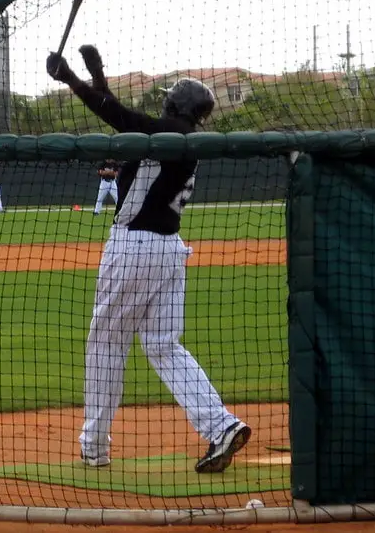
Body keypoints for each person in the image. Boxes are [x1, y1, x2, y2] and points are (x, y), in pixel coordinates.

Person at [46, 44, 249, 474]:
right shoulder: (185, 138)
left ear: (174, 103)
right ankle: (221, 425)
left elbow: (118, 117)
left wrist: (70, 80)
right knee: (162, 345)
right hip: (170, 252)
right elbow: (118, 112)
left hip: (133, 247)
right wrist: (95, 73)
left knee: (105, 345)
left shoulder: (167, 133)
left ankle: (94, 446)